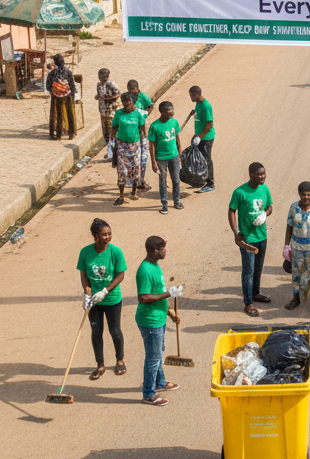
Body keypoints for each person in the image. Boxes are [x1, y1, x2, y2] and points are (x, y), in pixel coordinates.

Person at [135, 235, 183, 406]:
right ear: (154, 250)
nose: (165, 251)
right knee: (153, 358)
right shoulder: (145, 270)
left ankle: (159, 382)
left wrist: (170, 314)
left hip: (159, 318)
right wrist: (169, 293)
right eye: (162, 248)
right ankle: (148, 394)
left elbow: (159, 292)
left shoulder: (155, 266)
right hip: (150, 321)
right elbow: (144, 297)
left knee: (158, 352)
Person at [78, 218, 127, 380]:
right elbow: (83, 275)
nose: (107, 237)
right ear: (95, 236)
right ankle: (100, 365)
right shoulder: (85, 252)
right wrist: (87, 293)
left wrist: (105, 291)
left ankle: (120, 360)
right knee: (96, 332)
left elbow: (120, 275)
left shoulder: (115, 252)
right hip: (94, 302)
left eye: (109, 234)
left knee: (115, 330)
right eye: (104, 235)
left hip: (112, 299)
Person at [229, 162, 273, 317]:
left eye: (263, 173)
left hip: (262, 236)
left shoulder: (265, 189)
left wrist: (265, 214)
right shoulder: (240, 192)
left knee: (258, 269)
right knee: (248, 271)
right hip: (247, 239)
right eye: (258, 174)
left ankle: (255, 293)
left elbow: (269, 207)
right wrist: (236, 232)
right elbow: (231, 211)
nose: (262, 176)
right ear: (251, 174)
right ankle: (248, 303)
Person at [284, 181, 310, 313]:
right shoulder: (293, 207)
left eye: (308, 195)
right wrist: (286, 246)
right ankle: (296, 299)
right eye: (303, 195)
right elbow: (289, 226)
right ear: (299, 194)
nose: (306, 197)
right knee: (296, 275)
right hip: (297, 249)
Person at [146, 101, 182, 214]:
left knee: (176, 180)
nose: (172, 112)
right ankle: (164, 203)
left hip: (174, 156)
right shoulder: (154, 126)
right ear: (161, 112)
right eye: (169, 111)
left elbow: (177, 138)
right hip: (161, 158)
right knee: (163, 181)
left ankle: (176, 200)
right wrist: (153, 162)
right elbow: (151, 145)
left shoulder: (174, 122)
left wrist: (180, 153)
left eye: (172, 109)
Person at [111, 93, 145, 205]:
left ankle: (134, 192)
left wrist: (142, 144)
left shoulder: (138, 114)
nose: (127, 104)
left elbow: (141, 128)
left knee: (135, 170)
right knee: (122, 171)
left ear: (132, 101)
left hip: (135, 146)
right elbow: (114, 128)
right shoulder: (119, 114)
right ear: (123, 103)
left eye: (129, 101)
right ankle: (121, 196)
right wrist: (112, 143)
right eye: (125, 102)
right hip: (122, 145)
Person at [188, 86, 216, 193]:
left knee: (206, 159)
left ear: (197, 95)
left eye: (191, 95)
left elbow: (210, 124)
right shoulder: (198, 104)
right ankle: (202, 179)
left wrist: (200, 137)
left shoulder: (206, 106)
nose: (190, 97)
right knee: (199, 159)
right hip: (199, 136)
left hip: (206, 138)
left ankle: (210, 182)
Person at [126, 80, 152, 191]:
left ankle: (141, 179)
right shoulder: (127, 98)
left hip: (141, 132)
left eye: (135, 88)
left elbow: (150, 106)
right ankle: (133, 180)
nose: (134, 91)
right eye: (132, 89)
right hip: (132, 132)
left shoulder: (143, 97)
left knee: (143, 157)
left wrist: (144, 115)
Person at [45, 54, 77, 140]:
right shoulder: (68, 72)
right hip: (68, 95)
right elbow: (72, 86)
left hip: (56, 96)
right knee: (69, 113)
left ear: (55, 63)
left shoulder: (52, 73)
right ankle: (71, 133)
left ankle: (57, 134)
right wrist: (72, 96)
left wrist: (53, 92)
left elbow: (48, 86)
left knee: (57, 114)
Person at [95, 68, 120, 147]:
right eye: (100, 76)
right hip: (103, 112)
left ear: (108, 76)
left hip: (110, 112)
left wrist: (107, 99)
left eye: (104, 76)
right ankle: (109, 149)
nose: (102, 78)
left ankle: (113, 151)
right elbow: (99, 95)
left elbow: (118, 94)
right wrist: (98, 97)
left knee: (111, 133)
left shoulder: (111, 84)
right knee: (105, 133)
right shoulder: (99, 85)